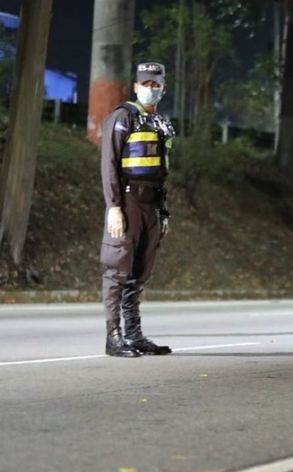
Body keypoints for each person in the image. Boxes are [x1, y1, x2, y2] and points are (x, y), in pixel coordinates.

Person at [100, 62, 174, 357]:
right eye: (146, 84)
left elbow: (163, 172)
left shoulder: (161, 124)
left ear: (163, 89)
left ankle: (133, 334)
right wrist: (113, 207)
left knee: (140, 270)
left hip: (151, 204)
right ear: (135, 87)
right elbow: (109, 164)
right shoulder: (122, 117)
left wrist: (164, 212)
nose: (150, 89)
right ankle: (113, 336)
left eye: (156, 85)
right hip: (128, 200)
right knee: (117, 267)